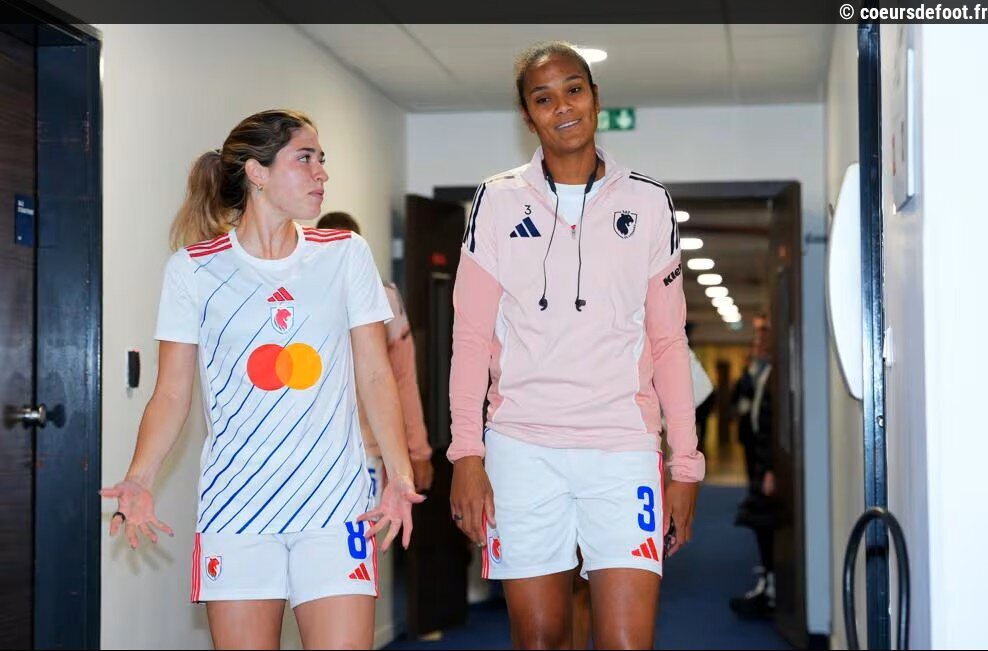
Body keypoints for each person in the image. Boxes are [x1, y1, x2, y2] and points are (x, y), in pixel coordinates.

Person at [100, 109, 423, 650]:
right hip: (237, 508)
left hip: (334, 505)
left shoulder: (345, 253)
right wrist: (139, 477)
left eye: (322, 159)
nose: (321, 173)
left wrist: (399, 475)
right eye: (305, 158)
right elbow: (172, 392)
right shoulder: (193, 269)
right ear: (256, 172)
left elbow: (374, 372)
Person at [448, 42, 704, 649]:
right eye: (543, 98)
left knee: (626, 642)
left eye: (573, 90)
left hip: (623, 449)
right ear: (527, 116)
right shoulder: (495, 201)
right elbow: (471, 339)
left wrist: (686, 465)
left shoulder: (648, 202)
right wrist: (466, 455)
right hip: (521, 451)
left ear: (595, 98)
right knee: (539, 638)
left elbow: (668, 343)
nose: (562, 107)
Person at [316, 211, 434, 499]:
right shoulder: (303, 301)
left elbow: (404, 378)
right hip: (316, 450)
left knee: (369, 524)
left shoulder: (384, 299)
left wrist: (418, 451)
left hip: (370, 448)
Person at [729, 314, 776, 619]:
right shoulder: (757, 373)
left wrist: (771, 466)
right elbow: (740, 397)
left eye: (763, 335)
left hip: (768, 460)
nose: (758, 342)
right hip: (756, 449)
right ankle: (768, 579)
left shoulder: (775, 373)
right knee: (757, 509)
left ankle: (770, 585)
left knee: (764, 515)